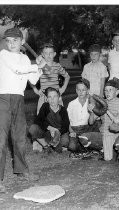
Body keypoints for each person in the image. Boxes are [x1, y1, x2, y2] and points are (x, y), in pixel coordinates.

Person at [0, 28, 46, 193]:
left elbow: (32, 79)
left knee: (19, 137)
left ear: (21, 41)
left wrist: (40, 67)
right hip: (3, 98)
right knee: (1, 139)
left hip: (19, 99)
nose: (11, 43)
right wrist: (36, 66)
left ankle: (21, 170)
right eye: (8, 41)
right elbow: (17, 69)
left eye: (15, 40)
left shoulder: (25, 58)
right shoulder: (4, 55)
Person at [67, 79, 102, 158]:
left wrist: (92, 111)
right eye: (78, 90)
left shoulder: (91, 102)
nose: (81, 92)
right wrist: (71, 131)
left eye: (83, 90)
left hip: (87, 128)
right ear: (76, 90)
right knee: (72, 147)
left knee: (89, 135)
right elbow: (69, 121)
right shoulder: (71, 104)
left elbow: (92, 122)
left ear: (88, 91)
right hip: (75, 129)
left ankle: (89, 147)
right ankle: (86, 149)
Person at [31, 43, 70, 114]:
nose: (48, 55)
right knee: (42, 120)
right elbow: (30, 79)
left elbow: (67, 76)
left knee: (59, 118)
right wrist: (35, 90)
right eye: (46, 53)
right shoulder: (39, 66)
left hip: (56, 96)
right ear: (42, 54)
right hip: (44, 97)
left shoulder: (57, 66)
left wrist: (63, 88)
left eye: (50, 53)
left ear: (54, 54)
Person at [89, 80, 119, 161]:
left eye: (110, 90)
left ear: (117, 92)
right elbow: (91, 122)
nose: (107, 92)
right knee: (107, 158)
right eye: (105, 90)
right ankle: (102, 149)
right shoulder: (102, 102)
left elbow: (118, 121)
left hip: (118, 132)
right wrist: (91, 112)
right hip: (105, 133)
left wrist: (106, 109)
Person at [28, 87, 70, 154]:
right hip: (48, 132)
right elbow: (37, 120)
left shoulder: (63, 110)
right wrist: (49, 128)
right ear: (47, 99)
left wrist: (57, 132)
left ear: (59, 98)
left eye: (55, 96)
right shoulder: (45, 107)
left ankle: (55, 144)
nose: (52, 99)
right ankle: (46, 146)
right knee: (33, 129)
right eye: (50, 97)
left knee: (64, 143)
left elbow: (66, 126)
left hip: (59, 133)